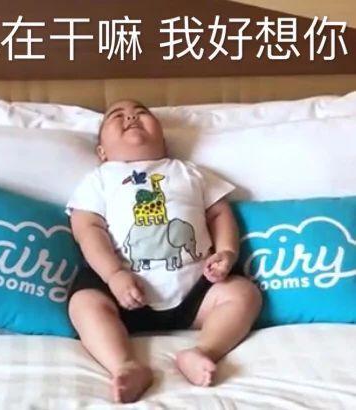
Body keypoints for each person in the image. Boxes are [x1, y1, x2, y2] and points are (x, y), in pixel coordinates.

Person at [66, 99, 262, 403]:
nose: (131, 117)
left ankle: (203, 351)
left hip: (197, 293)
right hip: (121, 292)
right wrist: (113, 274)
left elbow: (220, 214)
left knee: (244, 293)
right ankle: (124, 365)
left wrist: (226, 252)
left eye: (141, 113)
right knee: (84, 304)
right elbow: (86, 228)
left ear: (164, 142)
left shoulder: (190, 172)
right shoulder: (99, 179)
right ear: (102, 152)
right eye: (117, 115)